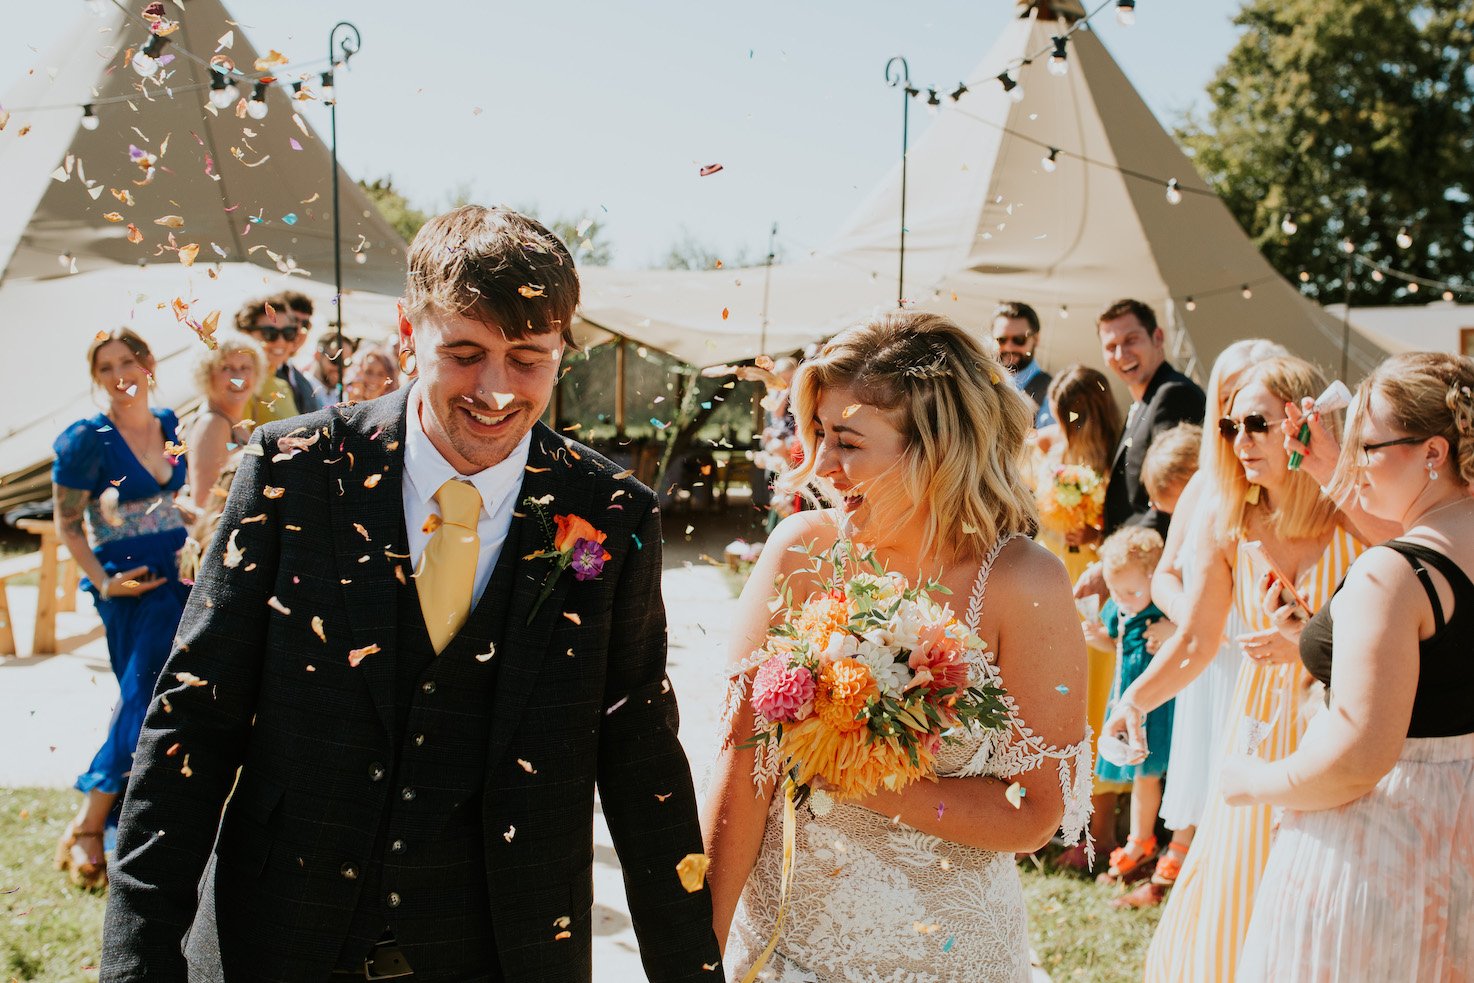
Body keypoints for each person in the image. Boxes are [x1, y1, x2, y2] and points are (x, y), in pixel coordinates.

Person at [101, 206, 723, 982]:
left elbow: (640, 757)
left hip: (506, 952)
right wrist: (136, 964)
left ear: (563, 349)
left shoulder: (611, 512)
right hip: (282, 938)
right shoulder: (294, 471)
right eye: (465, 353)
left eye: (528, 358)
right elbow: (193, 721)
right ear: (407, 329)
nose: (496, 390)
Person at [704, 311, 1090, 982]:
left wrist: (860, 778)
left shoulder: (1024, 583)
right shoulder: (799, 552)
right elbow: (741, 772)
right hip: (785, 951)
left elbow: (1034, 813)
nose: (820, 463)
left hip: (951, 959)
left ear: (935, 449)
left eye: (847, 441)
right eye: (819, 433)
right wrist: (696, 959)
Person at [1102, 355, 1370, 982]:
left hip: (1345, 724)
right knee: (1239, 888)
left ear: (1303, 425)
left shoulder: (1357, 514)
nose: (1239, 441)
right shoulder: (1230, 522)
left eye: (1256, 424)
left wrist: (1311, 644)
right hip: (1258, 730)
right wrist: (1133, 701)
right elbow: (1196, 640)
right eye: (1229, 426)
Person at [1227, 352, 1474, 981]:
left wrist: (1253, 781)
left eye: (1366, 447)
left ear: (1434, 452)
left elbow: (1359, 758)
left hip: (1385, 852)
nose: (1352, 464)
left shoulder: (1392, 574)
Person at [1115, 341, 1287, 910]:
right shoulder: (1203, 487)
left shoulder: (1293, 487)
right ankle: (1199, 888)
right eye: (1231, 394)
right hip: (1207, 654)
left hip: (1261, 657)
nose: (1241, 407)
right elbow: (1166, 573)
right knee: (1210, 785)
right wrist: (1196, 613)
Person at [51, 329, 191, 890]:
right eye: (105, 367)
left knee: (160, 697)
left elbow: (172, 497)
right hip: (132, 588)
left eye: (127, 361)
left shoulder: (169, 422)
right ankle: (90, 825)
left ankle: (118, 826)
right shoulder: (87, 438)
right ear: (96, 378)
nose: (118, 375)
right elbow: (68, 523)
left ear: (148, 363)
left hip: (180, 576)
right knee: (142, 696)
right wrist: (105, 583)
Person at [1034, 365, 1128, 868]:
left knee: (1097, 700)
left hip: (1097, 582)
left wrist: (1094, 534)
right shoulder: (1047, 446)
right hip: (1055, 579)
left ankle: (1098, 831)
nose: (1065, 420)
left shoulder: (1119, 452)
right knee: (1053, 699)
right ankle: (1050, 819)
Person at [1083, 526, 1172, 888]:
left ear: (1155, 578)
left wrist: (1172, 630)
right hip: (1126, 700)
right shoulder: (1119, 606)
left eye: (1132, 592)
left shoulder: (1163, 607)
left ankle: (1155, 841)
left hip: (1162, 703)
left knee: (1156, 771)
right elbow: (1116, 643)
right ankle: (1141, 839)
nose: (1124, 600)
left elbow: (1194, 633)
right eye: (1116, 592)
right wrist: (1099, 639)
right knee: (1142, 774)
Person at [1097, 299, 1206, 537]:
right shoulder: (1145, 400)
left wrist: (1127, 549)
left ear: (1157, 338)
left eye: (1131, 340)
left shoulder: (1174, 394)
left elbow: (1173, 490)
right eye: (1111, 346)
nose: (1121, 354)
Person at [182, 333, 264, 514]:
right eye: (227, 368)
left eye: (245, 367)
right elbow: (204, 502)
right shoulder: (212, 423)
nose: (238, 377)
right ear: (207, 374)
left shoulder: (231, 421)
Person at [236, 296, 302, 423]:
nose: (280, 341)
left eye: (288, 332)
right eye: (269, 333)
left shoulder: (283, 386)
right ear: (246, 335)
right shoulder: (242, 386)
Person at [992, 301, 1055, 428]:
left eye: (1019, 340)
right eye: (1001, 340)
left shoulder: (1051, 393)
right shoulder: (980, 382)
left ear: (1036, 339)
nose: (1009, 347)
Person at [279, 289, 332, 411]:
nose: (299, 331)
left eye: (305, 324)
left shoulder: (303, 383)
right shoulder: (258, 373)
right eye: (292, 322)